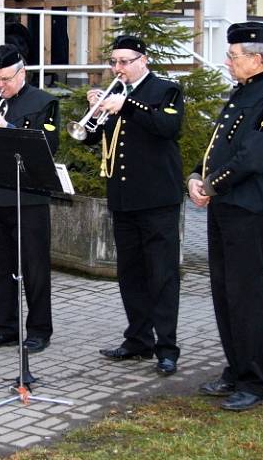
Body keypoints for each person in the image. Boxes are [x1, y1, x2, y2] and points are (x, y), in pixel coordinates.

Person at [188, 21, 263, 412]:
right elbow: (221, 144)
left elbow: (252, 157)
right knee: (224, 291)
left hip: (252, 208)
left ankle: (254, 382)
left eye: (233, 56)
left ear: (256, 58)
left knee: (247, 295)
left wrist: (211, 185)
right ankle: (236, 369)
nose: (228, 61)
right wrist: (197, 177)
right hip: (228, 205)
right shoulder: (247, 91)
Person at [83, 35, 184, 377]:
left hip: (157, 199)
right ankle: (138, 338)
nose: (118, 68)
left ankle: (166, 348)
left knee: (162, 274)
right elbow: (89, 136)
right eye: (114, 62)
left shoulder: (165, 90)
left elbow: (167, 126)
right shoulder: (116, 94)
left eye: (125, 61)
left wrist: (124, 106)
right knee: (131, 274)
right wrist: (95, 109)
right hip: (124, 199)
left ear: (144, 60)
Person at [0, 44, 60, 353]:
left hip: (28, 197)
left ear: (22, 73)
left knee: (34, 267)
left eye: (5, 79)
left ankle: (39, 329)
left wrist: (7, 127)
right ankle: (4, 327)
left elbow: (49, 144)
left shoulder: (44, 102)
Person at [11, 0, 69, 82]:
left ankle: (53, 77)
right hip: (35, 23)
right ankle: (36, 76)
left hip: (53, 24)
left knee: (53, 49)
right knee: (35, 47)